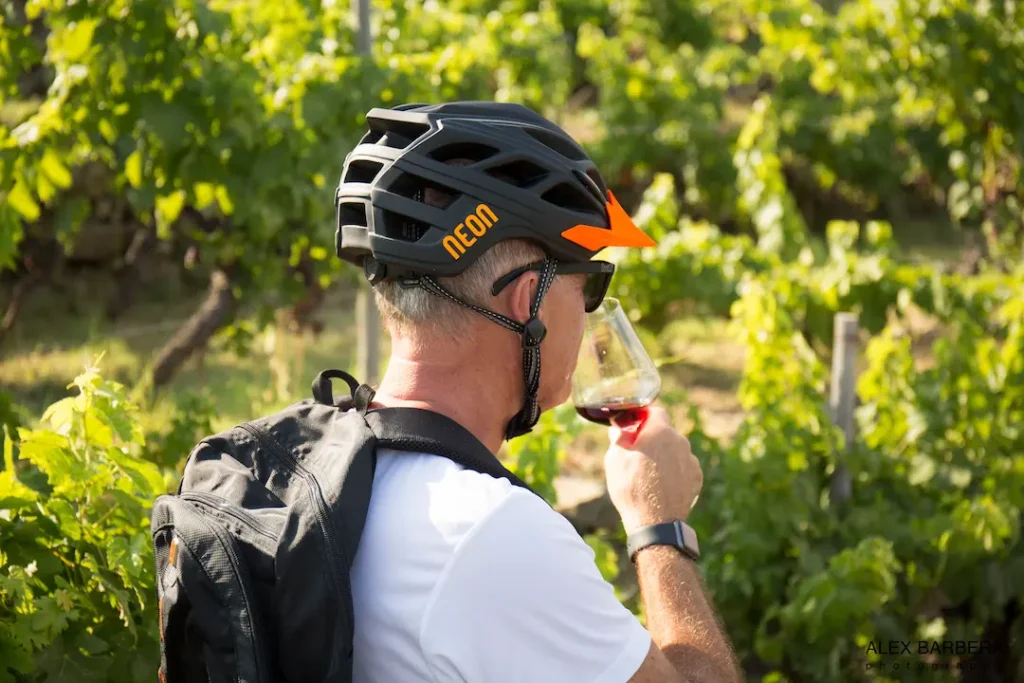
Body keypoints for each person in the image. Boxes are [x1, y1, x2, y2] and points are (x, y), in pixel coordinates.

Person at [336, 102, 742, 683]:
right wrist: (659, 528)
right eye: (591, 287)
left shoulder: (324, 468)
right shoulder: (491, 537)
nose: (591, 314)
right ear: (529, 300)